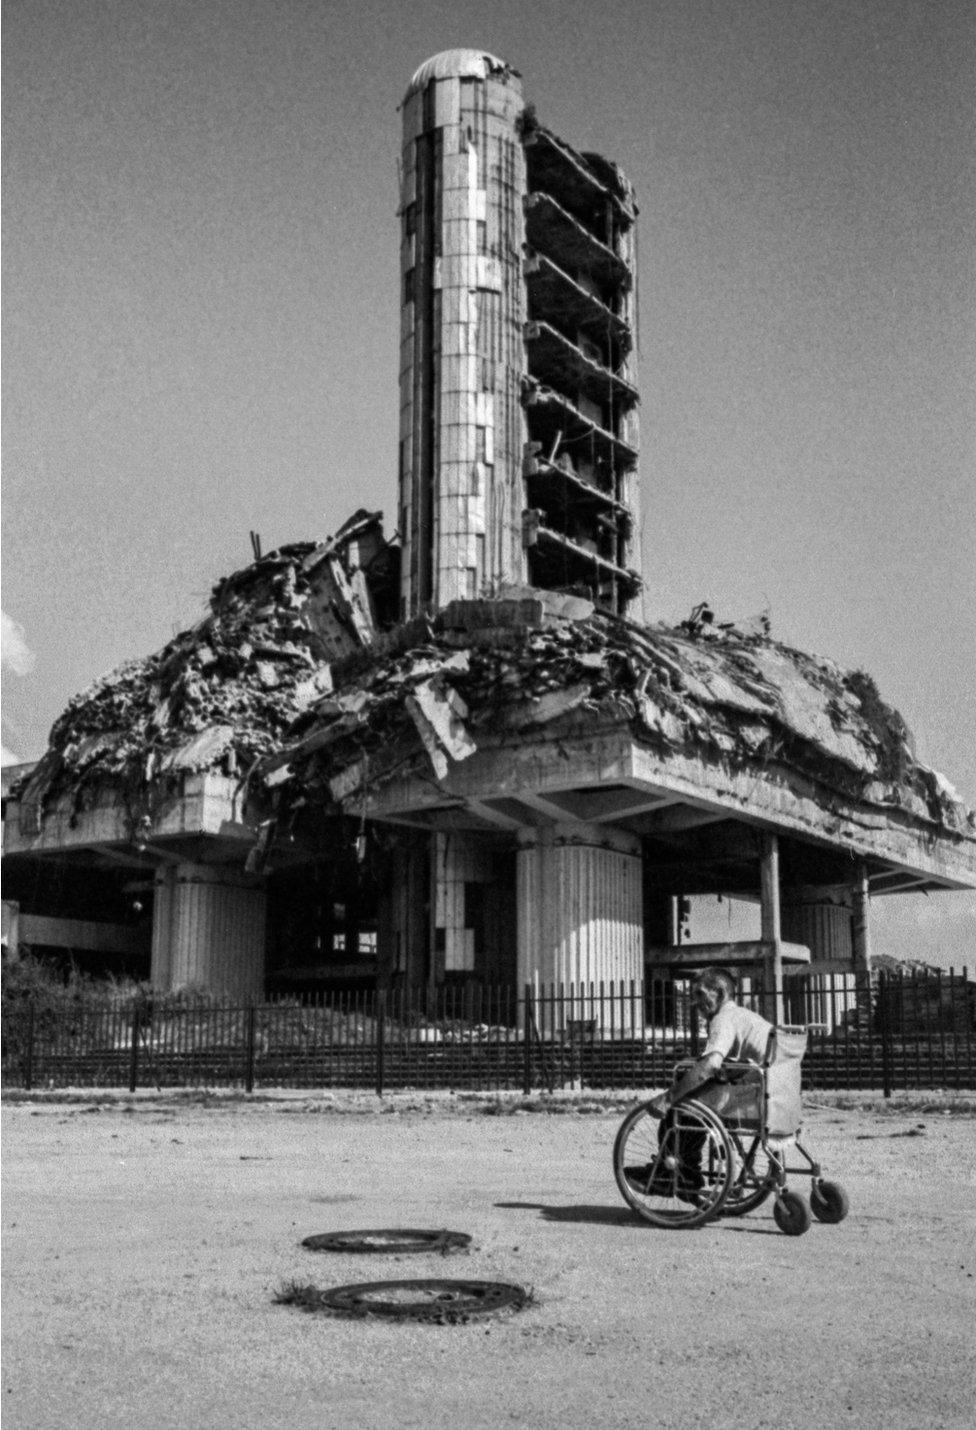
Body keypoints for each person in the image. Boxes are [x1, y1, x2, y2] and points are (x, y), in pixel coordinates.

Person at [630, 969, 774, 1199]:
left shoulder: (723, 1019)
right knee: (690, 1082)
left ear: (719, 992)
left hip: (745, 1097)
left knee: (681, 1099)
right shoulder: (749, 1017)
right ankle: (681, 1170)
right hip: (768, 1094)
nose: (695, 1003)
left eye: (700, 994)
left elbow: (711, 1064)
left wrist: (668, 1098)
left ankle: (678, 1173)